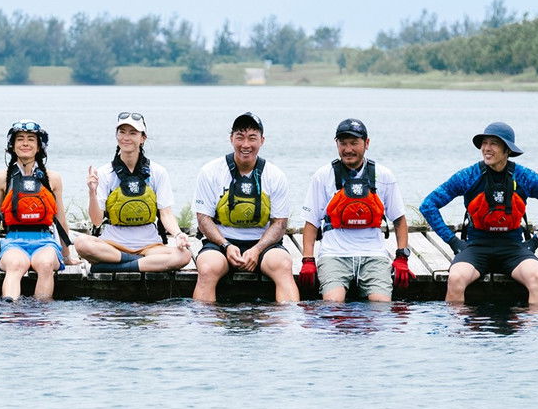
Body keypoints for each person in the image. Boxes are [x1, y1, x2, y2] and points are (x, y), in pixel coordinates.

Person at [419, 121, 538, 305]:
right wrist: (453, 241)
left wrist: (537, 239)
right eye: (484, 143)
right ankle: (458, 332)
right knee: (456, 278)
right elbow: (428, 205)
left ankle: (533, 332)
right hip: (476, 247)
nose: (486, 148)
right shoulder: (469, 176)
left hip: (513, 248)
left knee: (537, 278)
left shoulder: (524, 177)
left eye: (494, 143)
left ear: (507, 150)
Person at [298, 118, 411, 302]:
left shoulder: (383, 175)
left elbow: (399, 220)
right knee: (333, 305)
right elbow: (311, 222)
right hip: (334, 254)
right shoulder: (322, 176)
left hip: (373, 255)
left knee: (381, 306)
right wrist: (308, 260)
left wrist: (402, 257)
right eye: (343, 143)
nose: (348, 149)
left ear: (366, 143)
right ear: (336, 144)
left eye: (354, 143)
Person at [192, 112, 298, 302]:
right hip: (221, 243)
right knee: (207, 268)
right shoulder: (210, 171)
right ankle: (206, 326)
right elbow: (203, 218)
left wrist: (257, 250)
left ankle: (286, 324)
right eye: (240, 137)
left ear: (262, 140)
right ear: (231, 138)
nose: (245, 145)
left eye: (252, 138)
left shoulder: (275, 175)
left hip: (264, 244)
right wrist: (225, 245)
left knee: (283, 265)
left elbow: (280, 223)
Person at [74, 112, 193, 273]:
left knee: (184, 255)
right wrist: (92, 192)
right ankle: (141, 263)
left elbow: (166, 214)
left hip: (149, 245)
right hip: (112, 244)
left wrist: (178, 234)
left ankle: (114, 267)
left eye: (133, 133)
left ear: (143, 138)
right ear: (116, 136)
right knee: (81, 243)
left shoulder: (157, 172)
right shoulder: (104, 173)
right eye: (122, 132)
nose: (126, 137)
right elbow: (96, 221)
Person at [0, 120, 78, 299]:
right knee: (15, 265)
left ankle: (41, 315)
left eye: (31, 139)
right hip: (13, 240)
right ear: (12, 146)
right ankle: (10, 310)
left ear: (39, 147)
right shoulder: (1, 178)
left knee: (45, 265)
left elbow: (60, 220)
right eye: (20, 139)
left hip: (45, 241)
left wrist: (66, 256)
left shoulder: (53, 178)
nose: (25, 143)